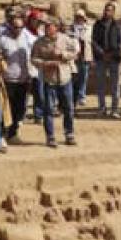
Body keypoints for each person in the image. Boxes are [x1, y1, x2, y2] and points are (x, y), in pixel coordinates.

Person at [31, 17, 79, 148]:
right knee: (48, 110)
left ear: (56, 27)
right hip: (49, 80)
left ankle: (69, 134)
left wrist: (63, 55)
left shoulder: (65, 39)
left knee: (68, 108)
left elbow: (75, 52)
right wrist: (45, 64)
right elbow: (34, 59)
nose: (47, 28)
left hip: (65, 78)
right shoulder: (39, 43)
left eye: (49, 26)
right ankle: (50, 137)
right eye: (46, 26)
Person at [0, 16, 35, 143]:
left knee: (19, 109)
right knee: (6, 108)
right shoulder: (3, 40)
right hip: (8, 80)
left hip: (23, 79)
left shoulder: (26, 39)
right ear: (10, 26)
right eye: (16, 27)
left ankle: (13, 134)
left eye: (21, 27)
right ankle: (2, 134)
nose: (18, 29)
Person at [91, 2, 121, 117]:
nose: (107, 12)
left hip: (114, 58)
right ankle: (102, 108)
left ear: (113, 12)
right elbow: (94, 41)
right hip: (101, 57)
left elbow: (120, 42)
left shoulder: (117, 25)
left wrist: (112, 53)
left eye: (110, 10)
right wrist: (102, 53)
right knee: (101, 84)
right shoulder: (98, 24)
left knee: (115, 85)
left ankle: (115, 109)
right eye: (106, 10)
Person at [68, 9, 93, 107]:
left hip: (85, 55)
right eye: (77, 17)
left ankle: (81, 96)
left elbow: (90, 41)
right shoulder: (71, 28)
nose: (79, 19)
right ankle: (73, 96)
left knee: (83, 77)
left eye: (81, 17)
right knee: (74, 77)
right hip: (74, 57)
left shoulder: (89, 28)